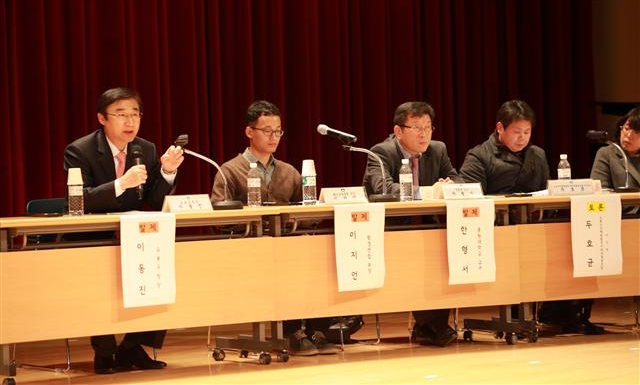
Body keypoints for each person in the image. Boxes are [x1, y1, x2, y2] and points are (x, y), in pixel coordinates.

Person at [63, 87, 184, 374]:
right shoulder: (80, 150)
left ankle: (133, 347)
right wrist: (122, 184)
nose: (130, 122)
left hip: (134, 233)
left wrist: (167, 172)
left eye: (135, 114)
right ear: (102, 118)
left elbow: (154, 200)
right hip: (91, 234)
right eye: (120, 114)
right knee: (97, 277)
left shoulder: (146, 149)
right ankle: (104, 352)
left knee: (159, 263)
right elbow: (78, 200)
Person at [459, 99, 603, 335]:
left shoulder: (537, 154)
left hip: (535, 225)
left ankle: (562, 314)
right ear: (499, 128)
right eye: (517, 132)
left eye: (527, 132)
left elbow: (548, 191)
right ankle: (516, 317)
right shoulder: (479, 155)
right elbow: (469, 196)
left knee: (571, 241)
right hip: (497, 230)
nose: (522, 138)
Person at [211, 100, 338, 356]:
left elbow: (309, 213)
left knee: (322, 255)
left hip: (289, 245)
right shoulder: (230, 170)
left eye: (278, 131)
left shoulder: (289, 171)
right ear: (249, 132)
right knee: (285, 264)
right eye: (267, 131)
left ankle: (316, 328)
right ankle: (292, 333)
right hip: (249, 248)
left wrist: (294, 220)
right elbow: (219, 217)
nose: (273, 137)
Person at [362, 101, 461, 347]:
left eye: (428, 127)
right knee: (419, 254)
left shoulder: (437, 150)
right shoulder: (381, 152)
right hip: (389, 230)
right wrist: (428, 192)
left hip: (428, 227)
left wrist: (449, 186)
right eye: (416, 127)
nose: (424, 134)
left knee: (440, 253)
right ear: (398, 131)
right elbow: (384, 188)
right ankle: (432, 327)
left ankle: (431, 327)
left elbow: (457, 179)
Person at [590, 106, 640, 191]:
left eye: (636, 132)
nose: (628, 135)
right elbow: (600, 191)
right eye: (626, 128)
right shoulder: (606, 154)